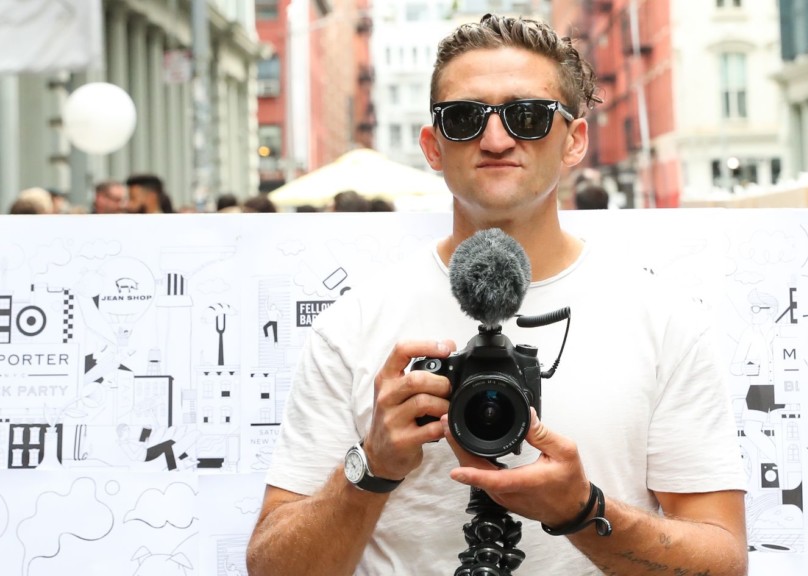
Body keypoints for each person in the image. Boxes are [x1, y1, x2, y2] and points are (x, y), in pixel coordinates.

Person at [247, 14, 746, 576]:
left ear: (574, 140)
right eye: (464, 118)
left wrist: (583, 512)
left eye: (527, 115)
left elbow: (724, 561)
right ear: (433, 147)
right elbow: (272, 568)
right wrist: (373, 467)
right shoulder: (357, 324)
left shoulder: (661, 321)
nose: (496, 138)